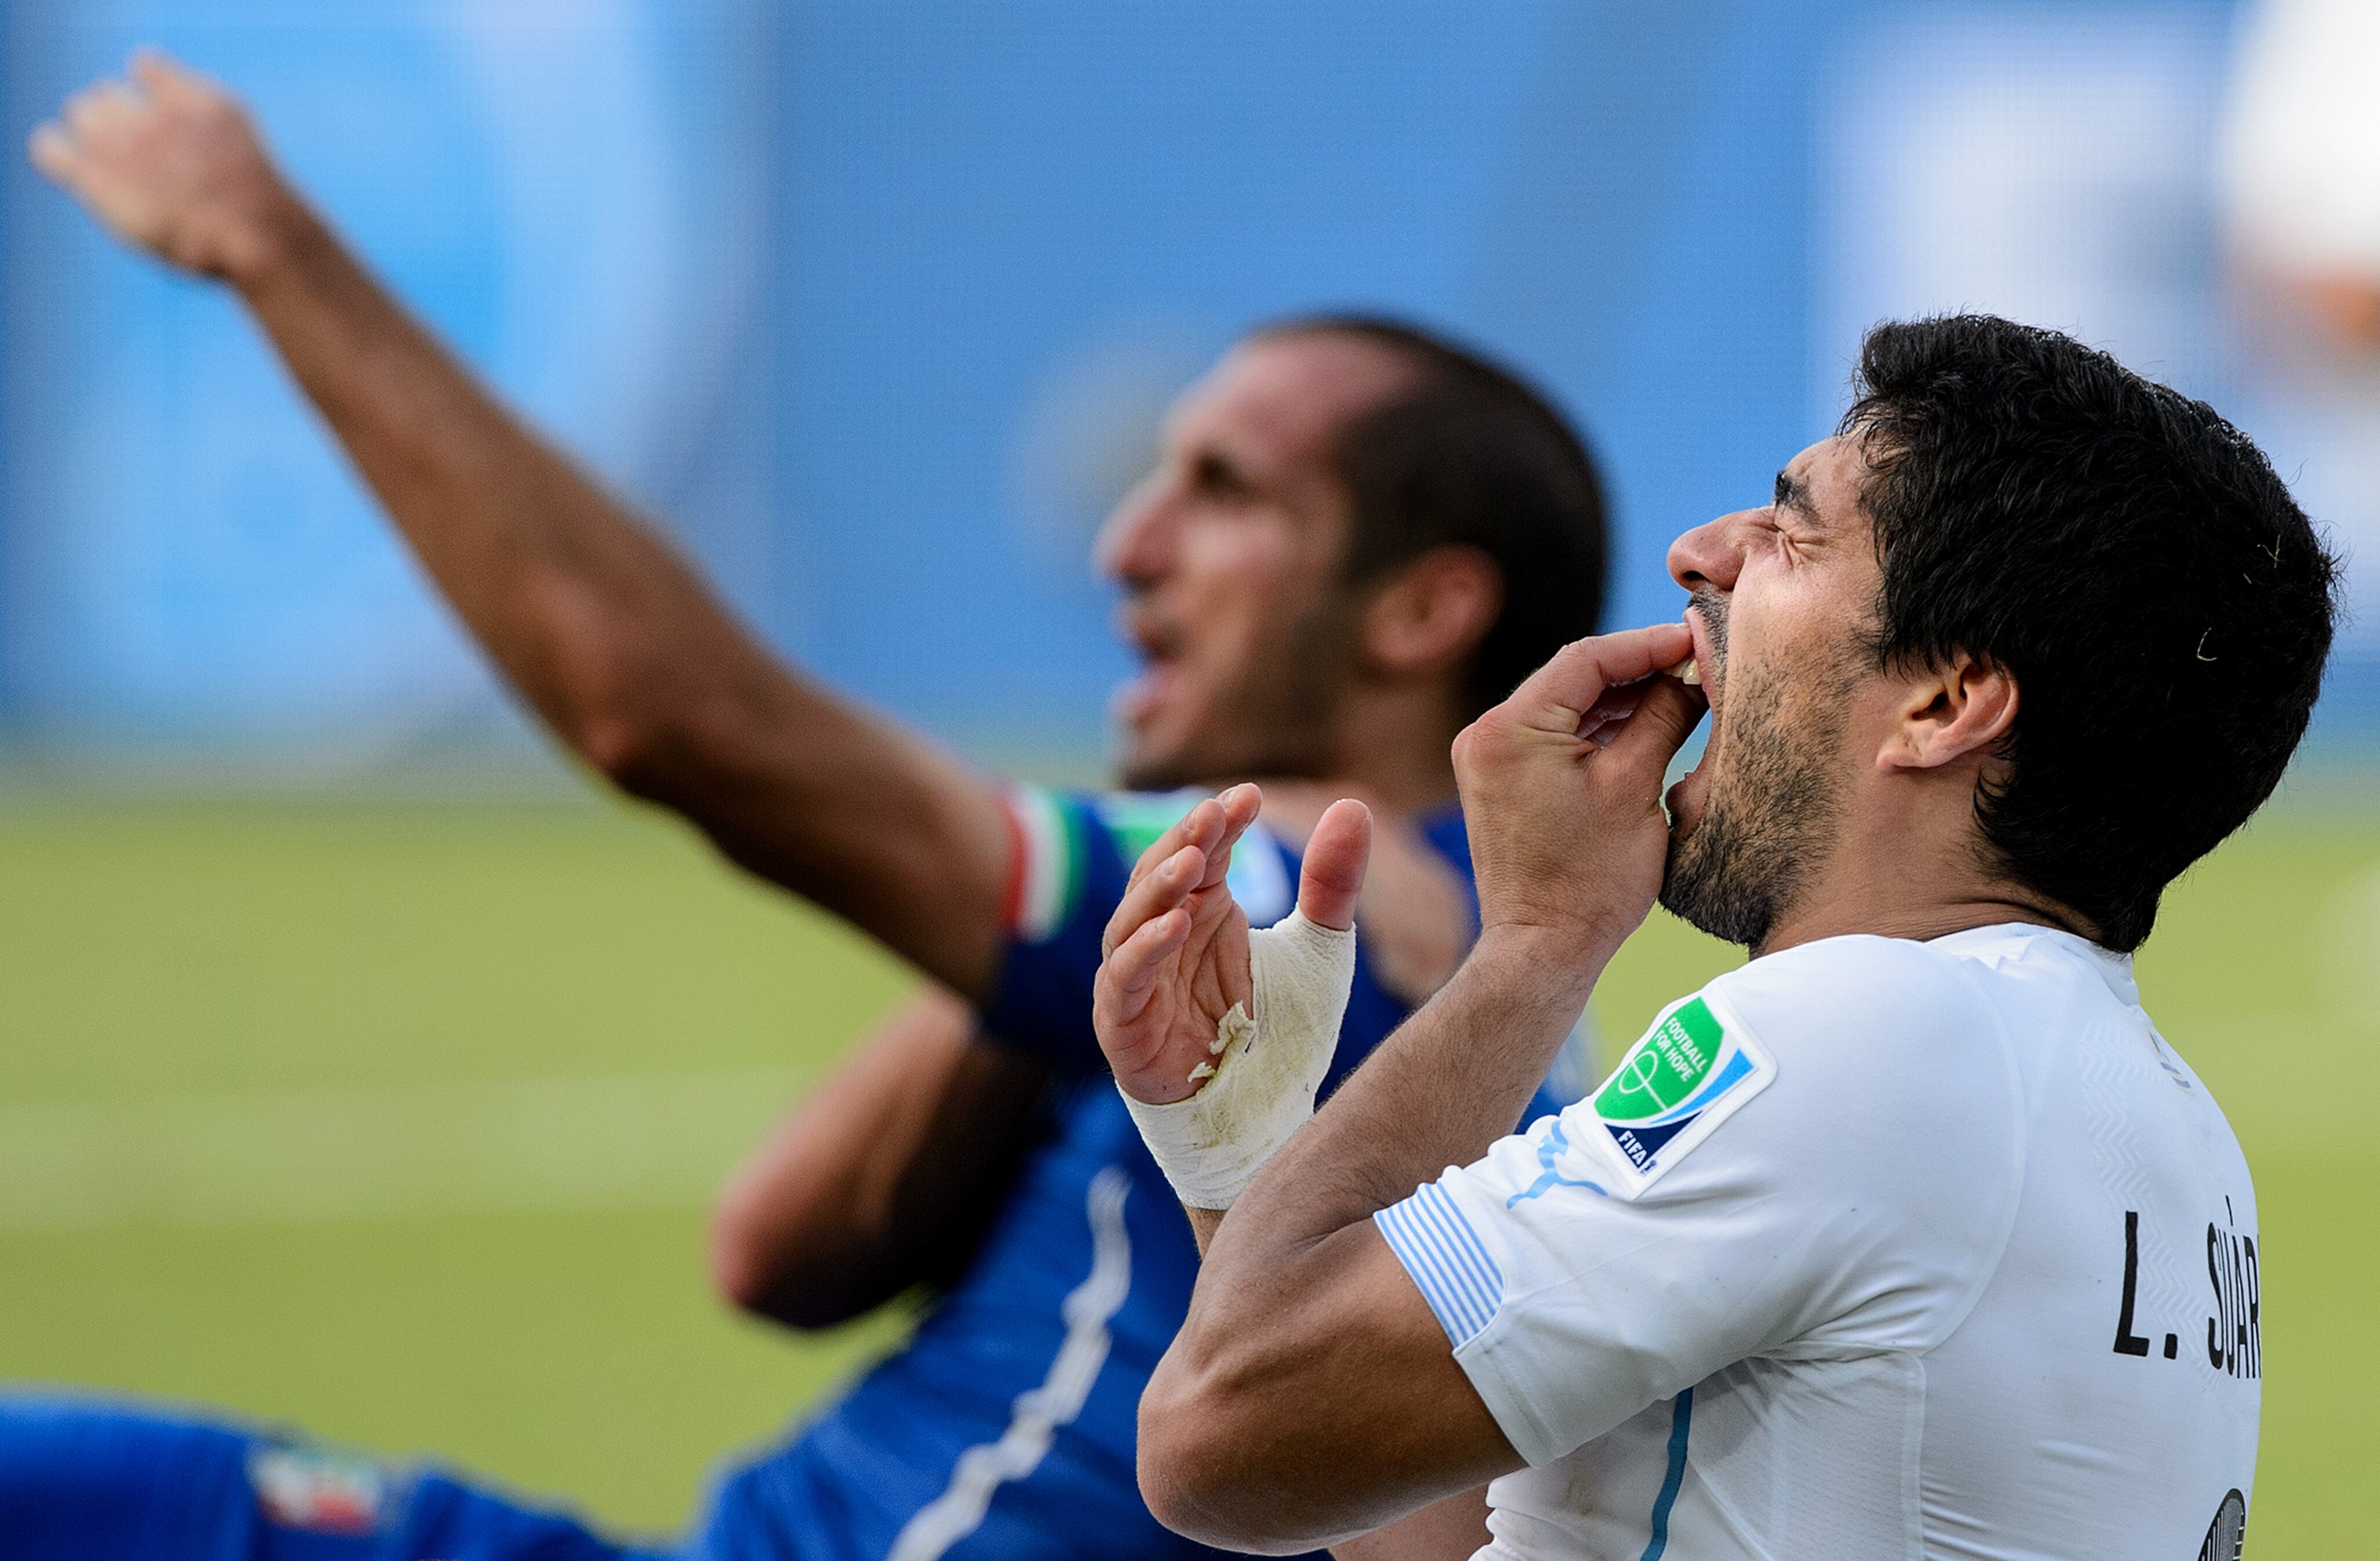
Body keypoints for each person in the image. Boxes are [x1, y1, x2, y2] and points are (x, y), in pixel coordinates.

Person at [12, 50, 1609, 1561]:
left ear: (1419, 615)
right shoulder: (1375, 931)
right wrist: (1067, 955)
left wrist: (272, 247)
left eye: (1226, 492)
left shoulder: (1303, 890)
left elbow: (676, 716)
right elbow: (775, 1250)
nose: (1128, 543)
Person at [1090, 314, 2336, 1559]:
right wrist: (1243, 1156)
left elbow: (1217, 1442)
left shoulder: (1872, 1039)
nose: (1699, 555)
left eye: (1791, 536)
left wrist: (1537, 941)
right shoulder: (2169, 1130)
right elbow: (1366, 1487)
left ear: (1945, 703)